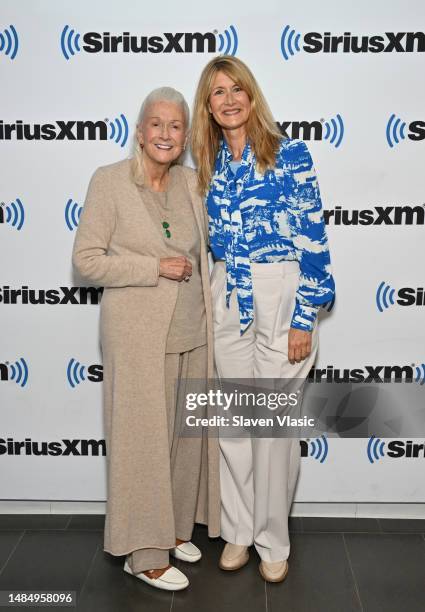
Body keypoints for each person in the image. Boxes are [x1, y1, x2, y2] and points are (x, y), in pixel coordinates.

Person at [191, 56, 335, 583]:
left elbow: (315, 241)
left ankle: (274, 540)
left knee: (272, 428)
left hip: (281, 293)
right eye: (216, 93)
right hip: (229, 295)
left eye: (236, 90)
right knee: (232, 422)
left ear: (252, 96)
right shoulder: (209, 168)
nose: (227, 100)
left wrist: (304, 316)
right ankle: (238, 531)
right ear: (206, 106)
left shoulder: (289, 152)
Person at [72, 87, 220, 591]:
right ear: (139, 132)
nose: (164, 133)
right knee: (143, 444)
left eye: (175, 126)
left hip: (194, 331)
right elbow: (87, 261)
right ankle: (144, 553)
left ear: (184, 139)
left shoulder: (192, 183)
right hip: (137, 336)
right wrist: (152, 267)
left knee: (185, 439)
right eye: (155, 124)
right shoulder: (109, 181)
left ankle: (173, 529)